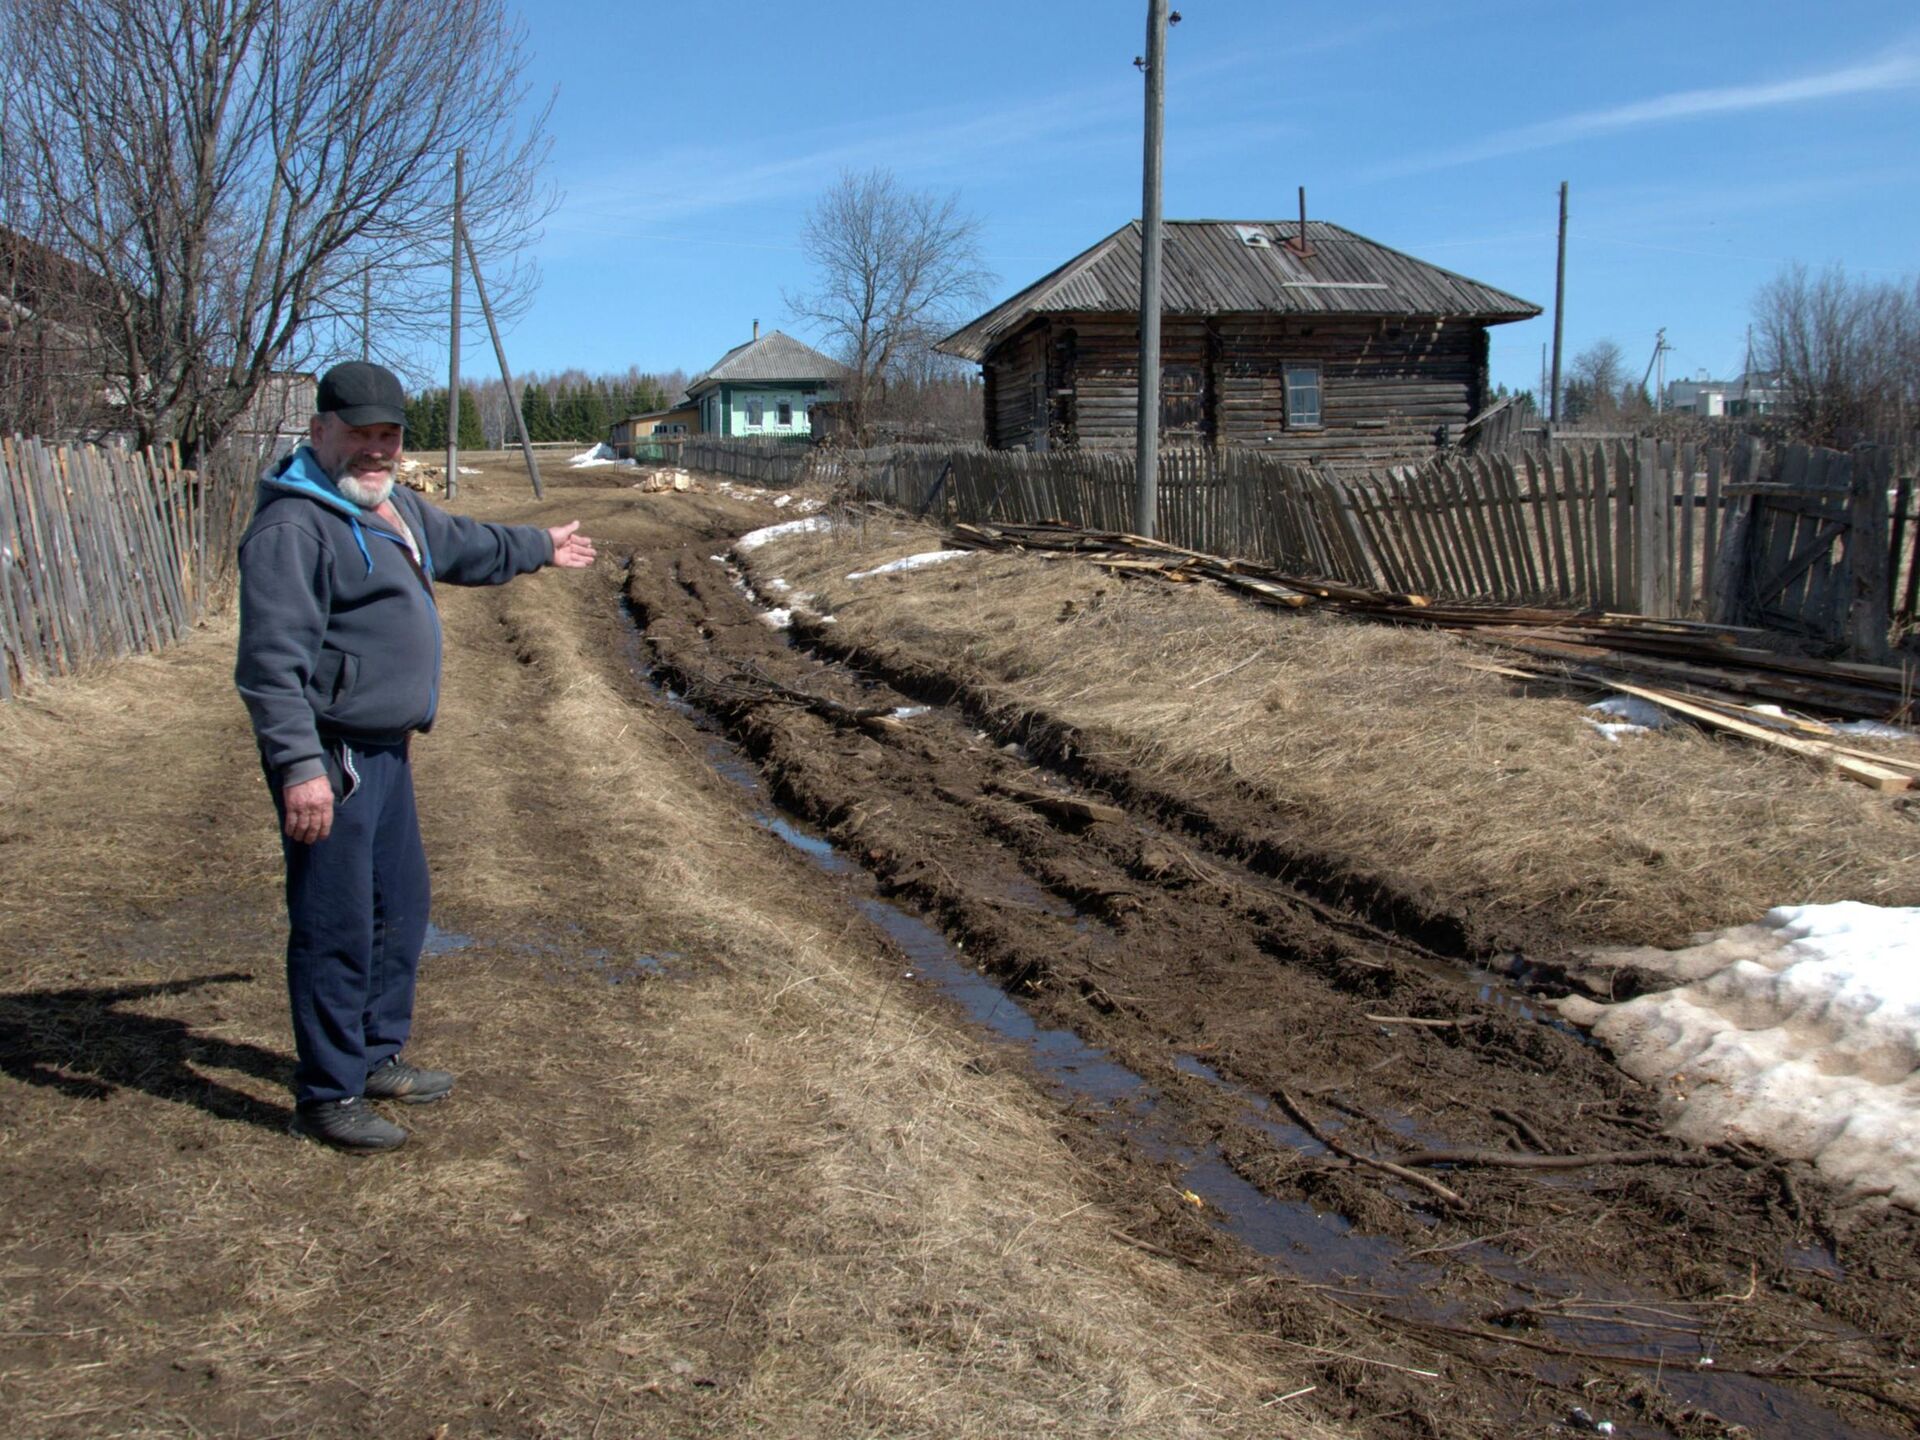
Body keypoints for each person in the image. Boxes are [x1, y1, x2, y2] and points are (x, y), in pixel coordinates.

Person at [235, 361, 596, 1153]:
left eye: (388, 435)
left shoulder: (389, 504)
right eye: (359, 433)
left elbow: (462, 542)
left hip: (386, 753)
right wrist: (300, 767)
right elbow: (270, 668)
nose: (375, 449)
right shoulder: (295, 528)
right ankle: (327, 1093)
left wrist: (540, 545)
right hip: (334, 754)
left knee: (400, 909)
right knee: (336, 924)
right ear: (320, 430)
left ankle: (372, 1055)